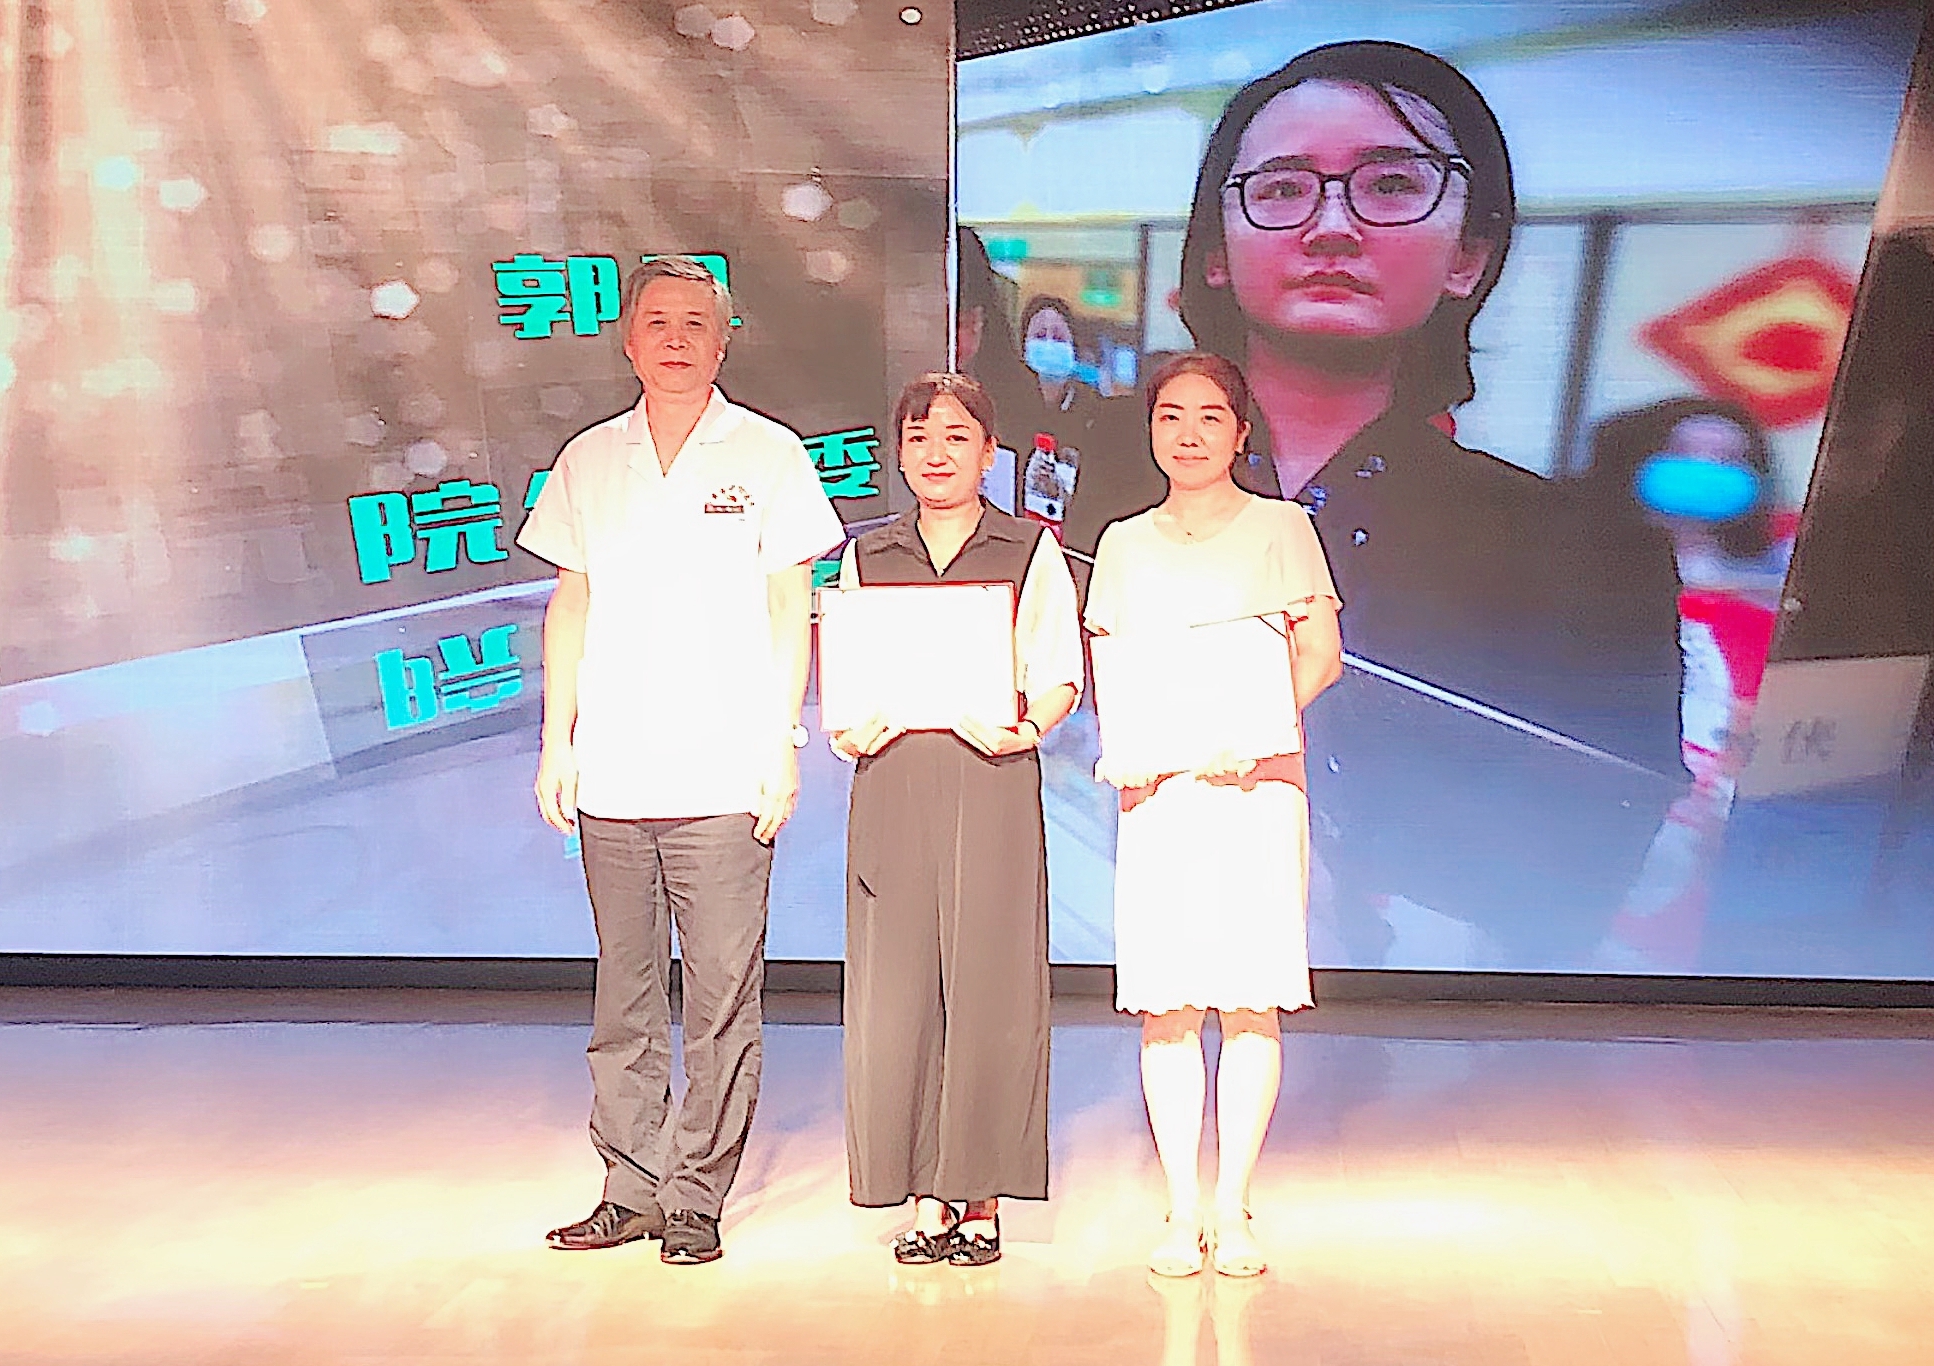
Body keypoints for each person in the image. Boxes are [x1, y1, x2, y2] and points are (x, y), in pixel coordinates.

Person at [1177, 40, 1669, 960]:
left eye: (1391, 185)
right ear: (1215, 254)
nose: (1331, 227)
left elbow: (1579, 863)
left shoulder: (1588, 553)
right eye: (1282, 189)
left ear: (1467, 257)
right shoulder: (1117, 488)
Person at [517, 256, 843, 1264]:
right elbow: (570, 601)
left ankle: (695, 1193)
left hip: (724, 774)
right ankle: (629, 1185)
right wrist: (556, 739)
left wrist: (780, 740)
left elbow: (791, 604)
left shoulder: (769, 454)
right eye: (655, 321)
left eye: (694, 322)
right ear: (627, 340)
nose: (674, 338)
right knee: (623, 998)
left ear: (723, 338)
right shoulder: (588, 458)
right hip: (613, 769)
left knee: (718, 997)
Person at [1085, 353, 1343, 1278]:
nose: (1188, 434)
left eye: (1208, 416)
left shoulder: (1283, 528)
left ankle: (1233, 1205)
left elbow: (1321, 656)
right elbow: (1113, 667)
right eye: (1170, 416)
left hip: (1255, 789)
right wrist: (1133, 748)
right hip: (1161, 792)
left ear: (1239, 432)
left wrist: (1255, 730)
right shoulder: (1122, 543)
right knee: (1166, 1002)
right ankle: (1180, 1208)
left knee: (1248, 999)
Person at [832, 373, 1083, 1267]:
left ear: (988, 452)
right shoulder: (868, 555)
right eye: (917, 437)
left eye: (955, 436)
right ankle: (924, 1195)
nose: (935, 453)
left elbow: (1058, 670)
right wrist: (850, 728)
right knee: (898, 994)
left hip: (991, 774)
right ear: (899, 454)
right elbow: (848, 679)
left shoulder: (1027, 548)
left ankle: (980, 1196)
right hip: (895, 778)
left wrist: (1028, 729)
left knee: (989, 985)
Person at [1019, 295, 1165, 563]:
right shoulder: (1010, 413)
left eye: (1058, 337)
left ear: (1074, 349)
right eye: (1040, 335)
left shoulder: (1100, 415)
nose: (1049, 343)